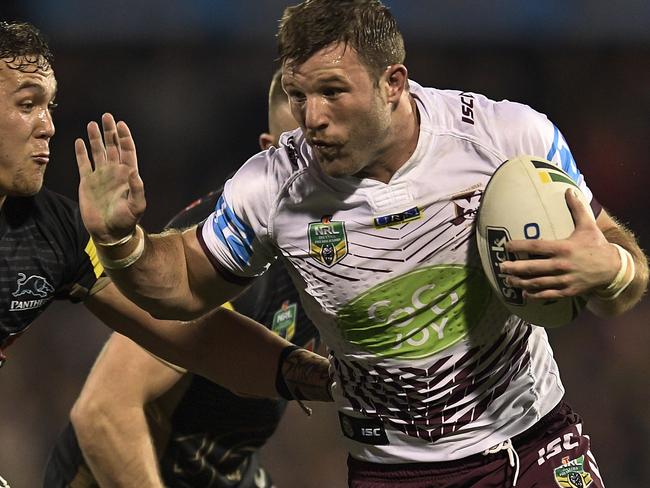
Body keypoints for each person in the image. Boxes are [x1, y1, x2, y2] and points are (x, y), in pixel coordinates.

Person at [76, 1, 649, 487]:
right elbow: (179, 286)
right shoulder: (272, 186)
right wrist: (122, 240)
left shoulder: (507, 136)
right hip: (391, 471)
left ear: (393, 83)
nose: (313, 119)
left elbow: (624, 278)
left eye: (333, 91)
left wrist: (615, 268)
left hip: (535, 442)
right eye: (300, 96)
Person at [0, 20, 331, 486]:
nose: (48, 126)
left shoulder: (51, 230)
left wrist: (334, 382)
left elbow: (191, 335)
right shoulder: (238, 247)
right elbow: (102, 412)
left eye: (49, 106)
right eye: (27, 104)